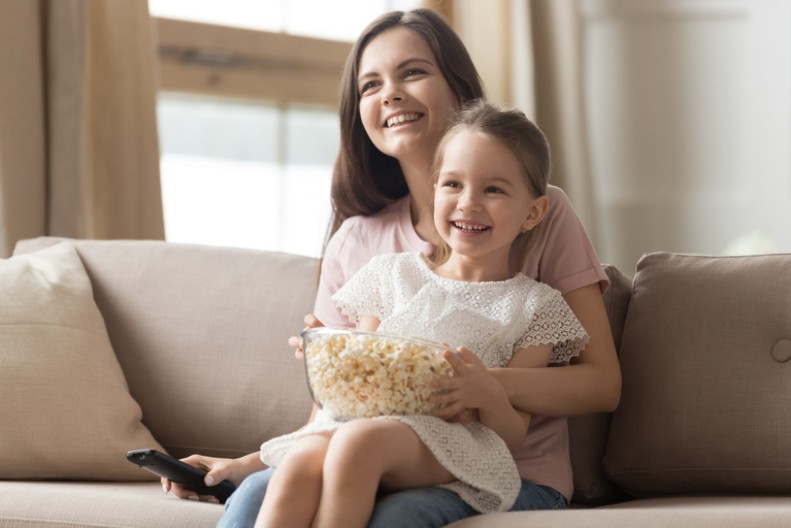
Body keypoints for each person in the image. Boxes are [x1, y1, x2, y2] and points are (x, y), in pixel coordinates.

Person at [163, 7, 621, 528]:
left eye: (413, 72)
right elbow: (335, 411)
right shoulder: (362, 244)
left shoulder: (539, 215)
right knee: (253, 497)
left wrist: (467, 383)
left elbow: (602, 383)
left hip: (506, 469)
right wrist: (246, 460)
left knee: (397, 513)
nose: (391, 93)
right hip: (365, 443)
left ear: (459, 87)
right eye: (370, 85)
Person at [252, 99, 589, 528]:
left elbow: (512, 434)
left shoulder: (535, 306)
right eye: (452, 185)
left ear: (533, 213)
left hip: (455, 445)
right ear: (434, 191)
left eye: (494, 189)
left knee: (358, 443)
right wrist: (332, 354)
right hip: (370, 425)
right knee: (301, 460)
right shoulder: (389, 274)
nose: (469, 203)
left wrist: (485, 392)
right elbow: (361, 378)